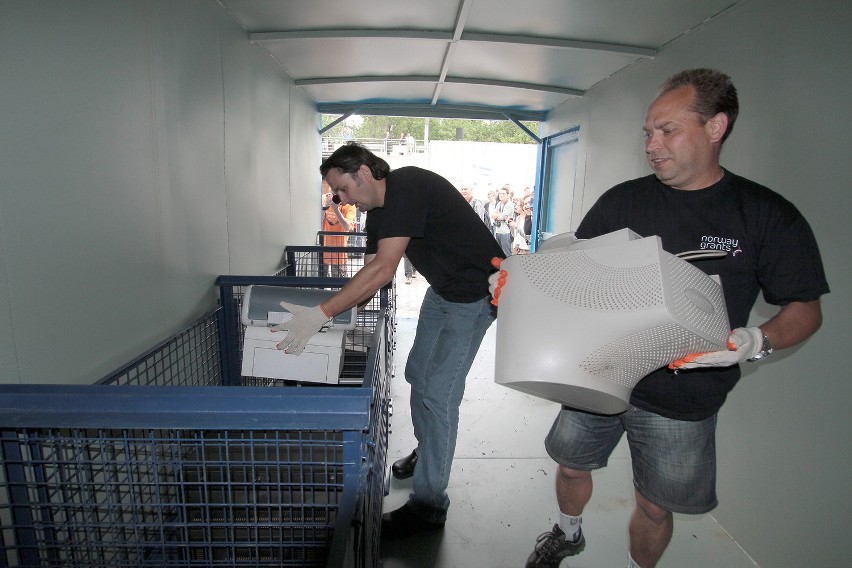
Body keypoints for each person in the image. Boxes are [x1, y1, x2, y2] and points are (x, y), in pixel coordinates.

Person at [511, 69, 829, 568]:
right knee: (571, 467)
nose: (652, 144)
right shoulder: (624, 200)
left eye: (668, 131)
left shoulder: (765, 215)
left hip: (683, 397)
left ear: (715, 127)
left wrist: (754, 341)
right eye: (648, 133)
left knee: (655, 505)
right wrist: (520, 282)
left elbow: (805, 310)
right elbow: (573, 272)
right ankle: (568, 532)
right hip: (599, 372)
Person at [272, 142, 505, 540]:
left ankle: (429, 507)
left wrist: (321, 313)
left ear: (363, 172)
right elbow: (367, 272)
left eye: (341, 189)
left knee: (439, 396)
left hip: (475, 298)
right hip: (442, 292)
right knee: (417, 374)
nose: (340, 199)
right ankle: (426, 447)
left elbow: (384, 269)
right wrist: (336, 318)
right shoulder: (375, 214)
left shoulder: (407, 186)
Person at [319, 182, 356, 277]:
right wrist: (326, 206)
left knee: (339, 285)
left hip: (340, 252)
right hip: (322, 250)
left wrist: (336, 209)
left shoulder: (349, 203)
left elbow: (347, 227)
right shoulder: (324, 199)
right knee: (321, 282)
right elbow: (316, 222)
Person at [491, 185, 515, 256]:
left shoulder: (510, 204)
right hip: (498, 230)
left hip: (506, 231)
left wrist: (498, 215)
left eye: (503, 194)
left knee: (506, 253)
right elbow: (492, 215)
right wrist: (497, 215)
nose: (501, 195)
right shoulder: (499, 203)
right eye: (500, 194)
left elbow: (501, 217)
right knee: (498, 253)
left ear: (508, 195)